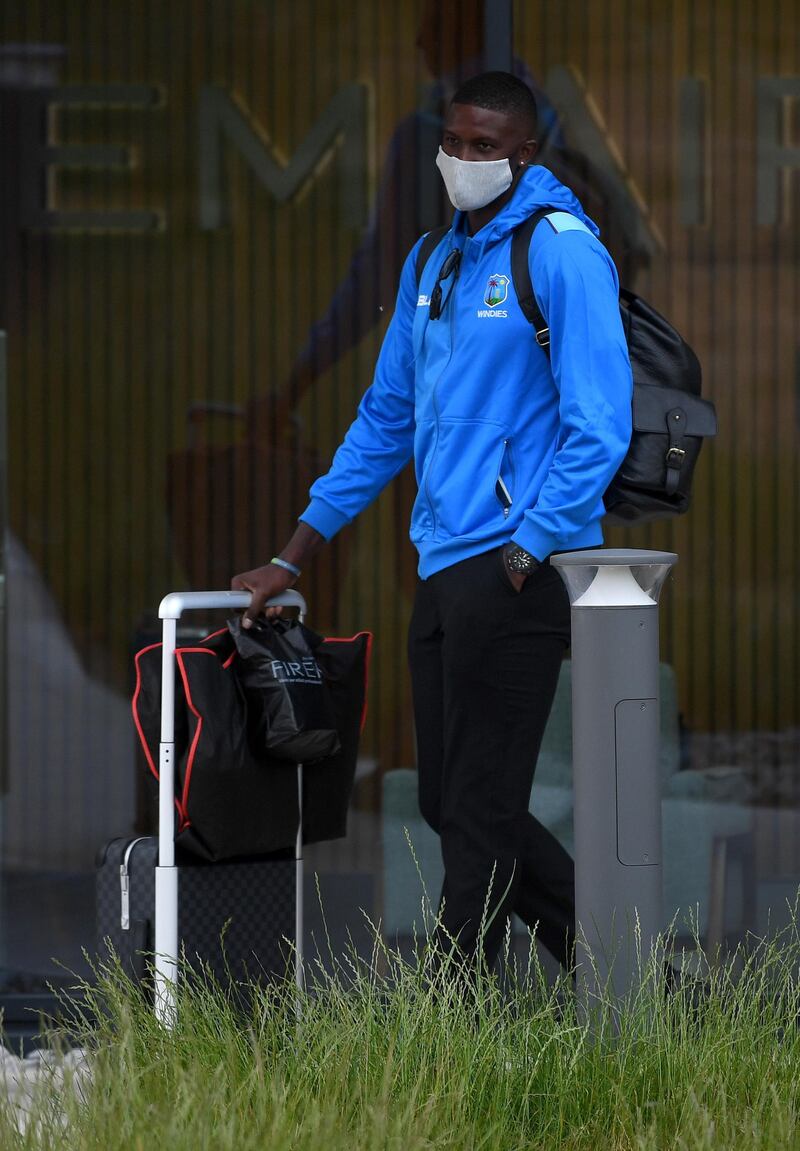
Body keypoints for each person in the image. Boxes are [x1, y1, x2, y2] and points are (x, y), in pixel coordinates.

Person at [232, 71, 633, 980]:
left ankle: (454, 1009)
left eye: (485, 145)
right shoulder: (434, 261)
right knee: (451, 797)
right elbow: (383, 420)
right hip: (447, 561)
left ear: (525, 153)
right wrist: (292, 554)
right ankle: (630, 977)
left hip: (520, 563)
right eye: (454, 141)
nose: (462, 158)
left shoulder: (563, 250)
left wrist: (530, 545)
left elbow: (598, 425)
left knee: (480, 803)